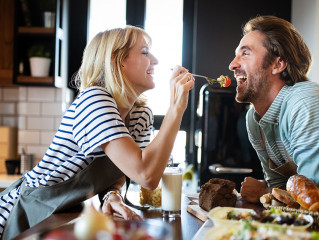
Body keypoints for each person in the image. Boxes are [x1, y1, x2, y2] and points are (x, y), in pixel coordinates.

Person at [0, 26, 194, 239]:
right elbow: (145, 174)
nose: (155, 60)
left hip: (62, 213)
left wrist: (112, 194)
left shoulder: (140, 115)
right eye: (145, 52)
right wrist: (176, 107)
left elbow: (123, 171)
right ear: (117, 60)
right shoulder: (94, 100)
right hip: (24, 211)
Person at [228, 15, 319, 203]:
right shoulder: (254, 120)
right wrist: (270, 190)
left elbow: (314, 196)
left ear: (278, 64)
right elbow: (279, 188)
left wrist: (265, 192)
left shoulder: (304, 102)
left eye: (245, 54)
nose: (232, 65)